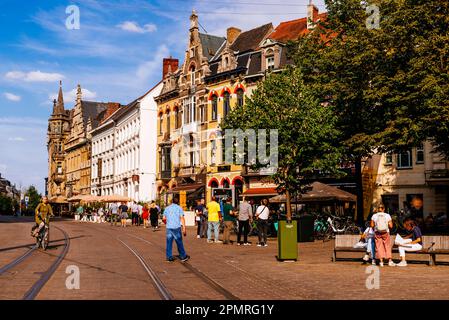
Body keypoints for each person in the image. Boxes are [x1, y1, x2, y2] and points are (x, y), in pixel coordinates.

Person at [162, 197, 190, 262]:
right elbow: (182, 218)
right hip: (176, 227)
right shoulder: (179, 208)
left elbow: (163, 218)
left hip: (169, 227)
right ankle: (183, 256)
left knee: (169, 242)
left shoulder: (167, 208)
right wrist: (184, 228)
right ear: (178, 202)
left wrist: (167, 223)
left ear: (172, 201)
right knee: (179, 242)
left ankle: (169, 257)